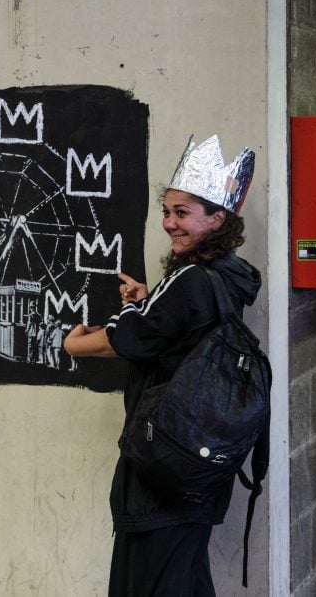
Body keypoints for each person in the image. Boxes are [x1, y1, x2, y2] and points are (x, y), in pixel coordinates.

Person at [64, 134, 261, 596]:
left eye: (183, 213)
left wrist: (76, 347)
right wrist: (148, 301)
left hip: (166, 457)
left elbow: (129, 340)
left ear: (218, 218)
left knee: (151, 583)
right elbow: (172, 327)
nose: (170, 223)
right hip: (201, 458)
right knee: (186, 579)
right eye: (168, 211)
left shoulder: (191, 278)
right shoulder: (228, 275)